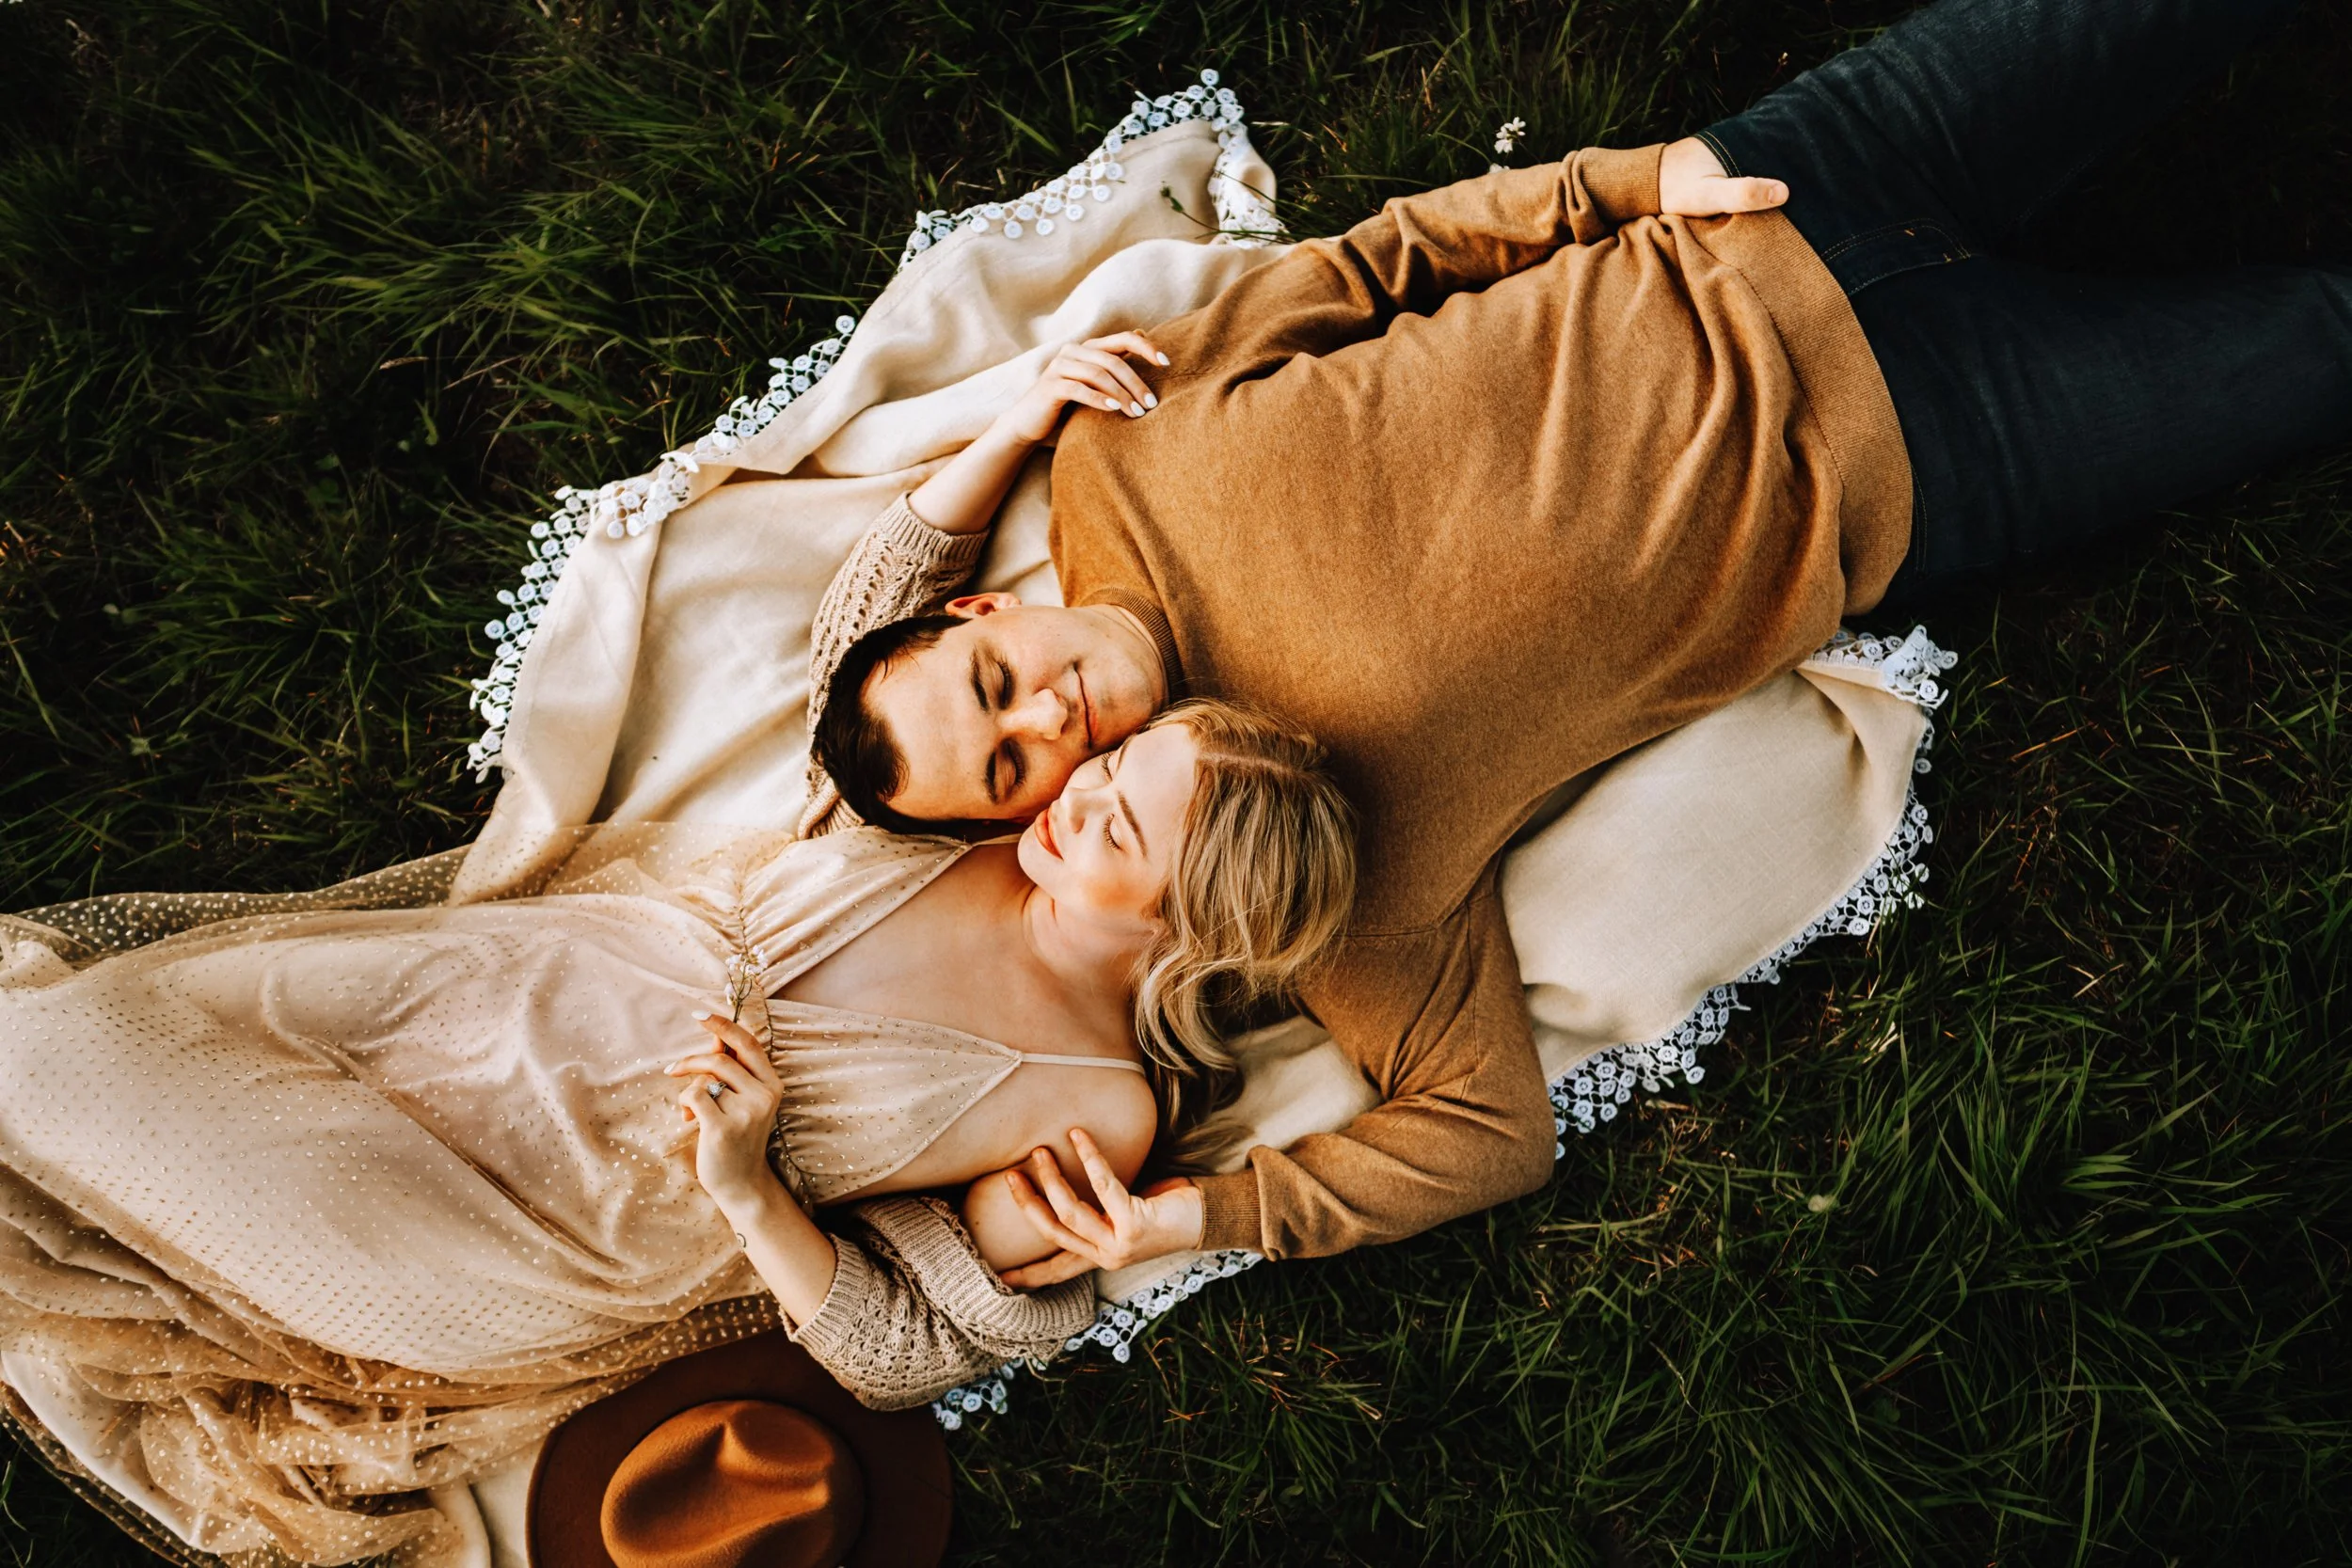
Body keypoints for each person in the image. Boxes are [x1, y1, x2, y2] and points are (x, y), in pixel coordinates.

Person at [813, 0, 2349, 1272]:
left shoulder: (1116, 449)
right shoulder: (1318, 875)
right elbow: (1483, 1135)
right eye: (1013, 772)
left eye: (998, 686)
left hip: (1768, 196)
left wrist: (1626, 185)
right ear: (1026, 830)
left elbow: (1375, 267)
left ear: (981, 609)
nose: (1051, 730)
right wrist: (1198, 1214)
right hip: (1931, 455)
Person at [0, 687, 1355, 1562]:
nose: (1075, 789)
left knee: (59, 1089)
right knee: (88, 1029)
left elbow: (893, 1346)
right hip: (491, 991)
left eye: (1121, 821)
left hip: (552, 1211)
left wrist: (751, 1184)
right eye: (1110, 762)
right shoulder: (984, 812)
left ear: (1189, 927)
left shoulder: (1093, 1100)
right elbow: (879, 639)